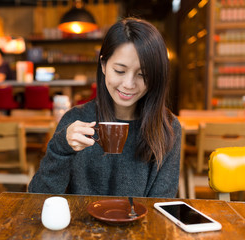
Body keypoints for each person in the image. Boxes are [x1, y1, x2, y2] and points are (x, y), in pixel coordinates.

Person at [28, 18, 182, 198]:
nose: (129, 84)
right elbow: (37, 199)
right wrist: (61, 148)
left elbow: (161, 207)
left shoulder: (167, 127)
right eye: (119, 71)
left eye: (143, 74)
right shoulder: (75, 120)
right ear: (103, 65)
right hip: (80, 226)